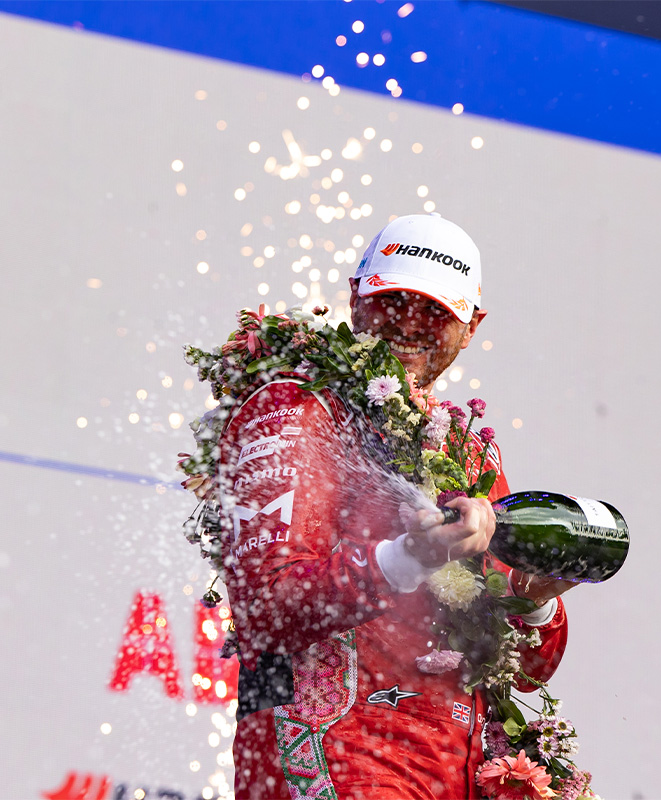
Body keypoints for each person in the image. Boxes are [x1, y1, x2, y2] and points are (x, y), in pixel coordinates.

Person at [217, 214, 573, 800]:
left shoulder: (467, 448)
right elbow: (266, 607)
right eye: (394, 300)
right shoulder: (298, 410)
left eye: (435, 311)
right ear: (356, 298)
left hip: (450, 775)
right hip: (332, 761)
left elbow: (527, 672)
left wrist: (533, 604)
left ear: (471, 326)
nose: (410, 324)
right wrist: (412, 555)